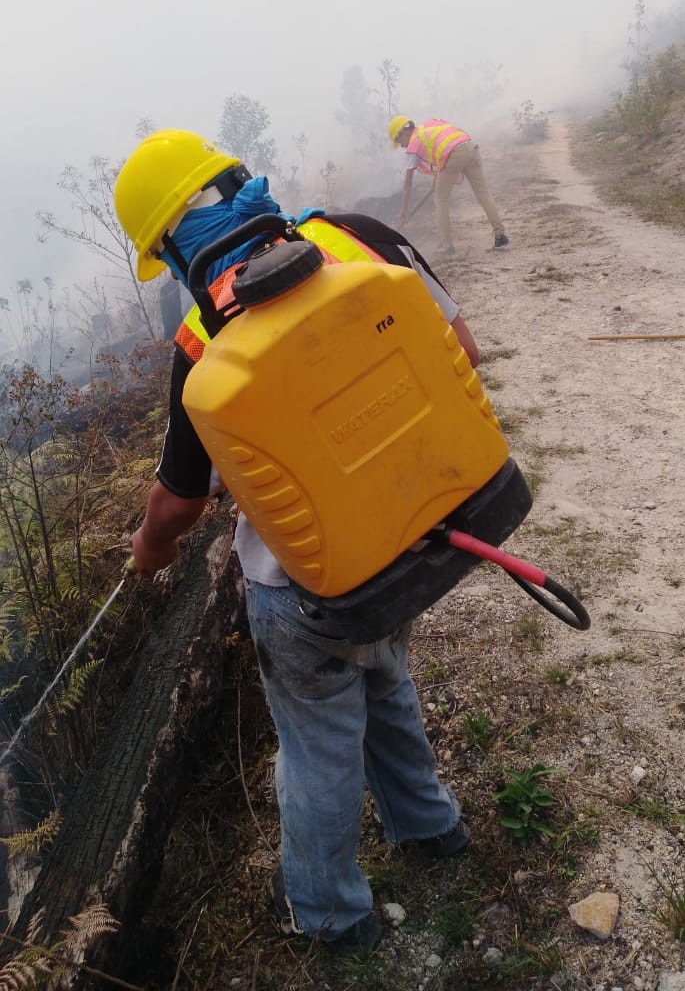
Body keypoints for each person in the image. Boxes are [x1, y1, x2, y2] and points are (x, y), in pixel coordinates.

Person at [114, 128, 483, 957]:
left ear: (171, 243)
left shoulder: (203, 343)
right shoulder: (361, 236)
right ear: (238, 181)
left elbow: (180, 500)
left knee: (316, 748)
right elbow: (460, 352)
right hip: (415, 541)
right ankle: (430, 830)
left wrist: (149, 548)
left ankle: (329, 915)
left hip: (305, 587)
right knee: (386, 677)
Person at [388, 114, 509, 257]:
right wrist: (436, 181)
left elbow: (407, 183)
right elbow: (441, 151)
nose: (403, 146)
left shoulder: (414, 143)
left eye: (400, 142)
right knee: (483, 192)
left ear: (404, 132)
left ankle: (447, 245)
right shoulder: (429, 126)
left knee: (441, 199)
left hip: (454, 155)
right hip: (470, 148)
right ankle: (500, 235)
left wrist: (404, 210)